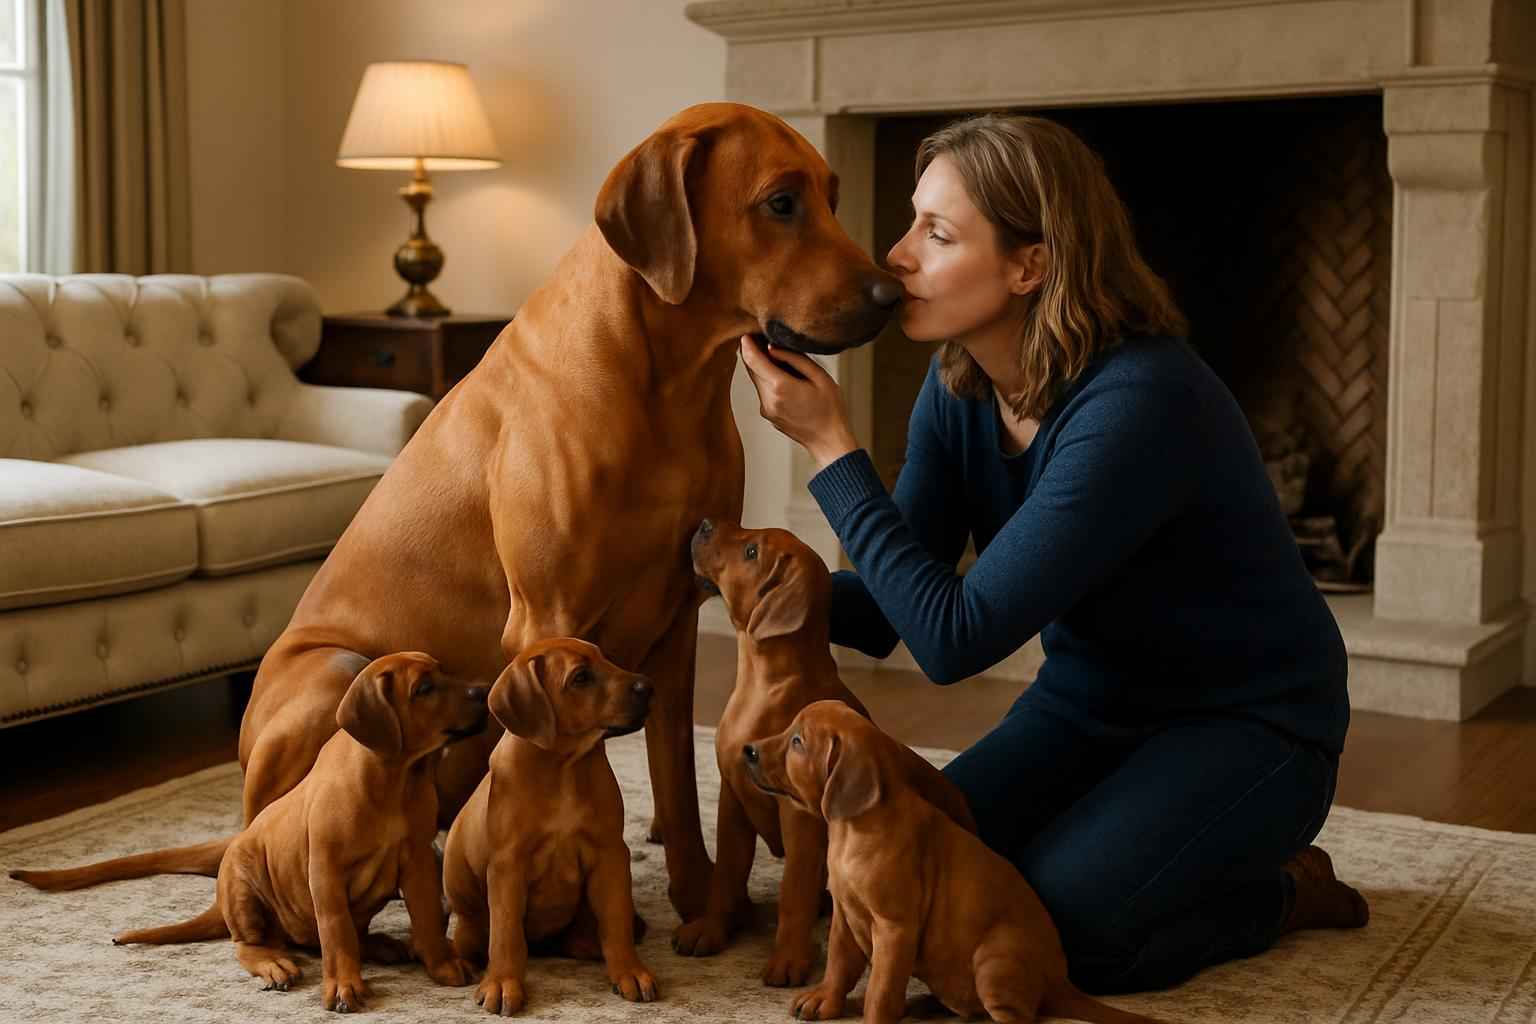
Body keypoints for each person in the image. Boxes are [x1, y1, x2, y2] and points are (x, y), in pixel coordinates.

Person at [737, 112, 1369, 995]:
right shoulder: (961, 385)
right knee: (914, 861)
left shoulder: (1140, 402)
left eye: (938, 232)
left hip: (1249, 725)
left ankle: (1284, 891)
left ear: (1030, 265)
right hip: (1086, 706)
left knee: (1065, 931)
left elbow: (954, 641)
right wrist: (716, 579)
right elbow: (887, 611)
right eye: (913, 220)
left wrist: (832, 451)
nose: (898, 255)